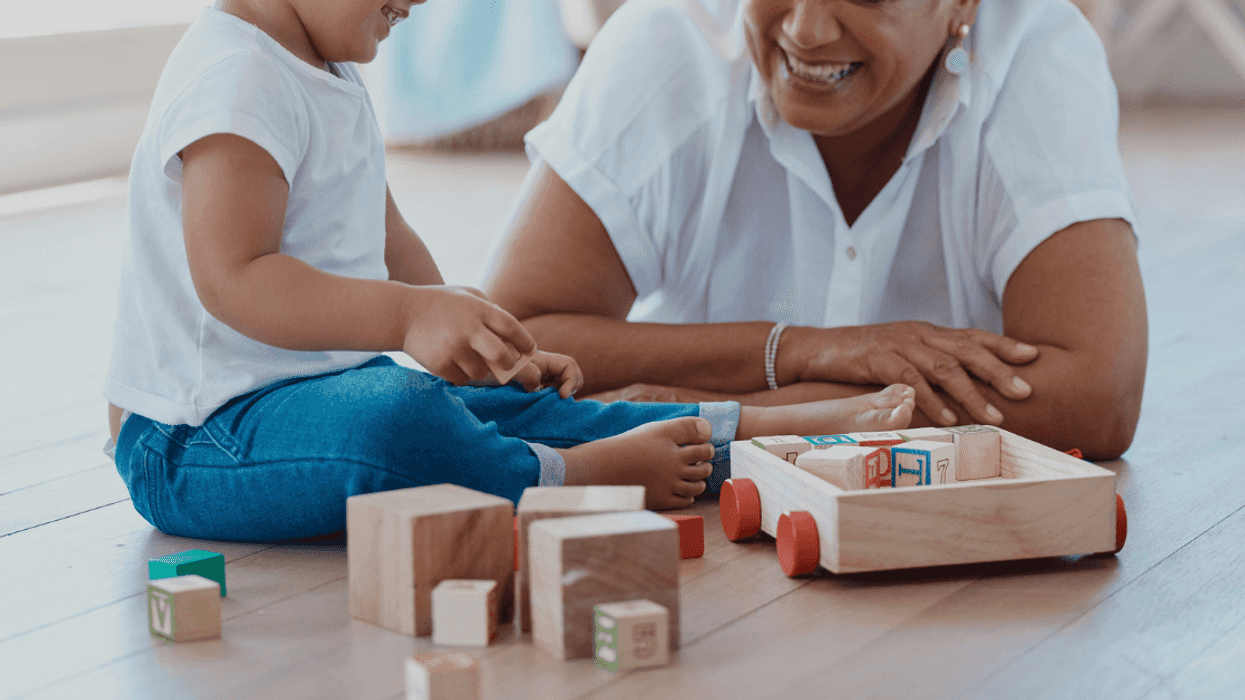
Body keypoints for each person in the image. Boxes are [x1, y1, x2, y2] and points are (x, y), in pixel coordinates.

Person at [102, 0, 916, 543]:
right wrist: (403, 321)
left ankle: (750, 431)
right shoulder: (235, 75)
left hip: (292, 406)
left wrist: (490, 337)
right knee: (398, 417)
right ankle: (566, 478)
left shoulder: (322, 72)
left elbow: (389, 238)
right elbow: (235, 277)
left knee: (500, 402)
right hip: (193, 441)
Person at [484, 0, 1148, 460]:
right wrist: (802, 350)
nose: (804, 30)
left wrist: (717, 414)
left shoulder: (1037, 54)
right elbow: (505, 344)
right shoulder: (666, 41)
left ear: (961, 7)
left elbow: (1097, 396)